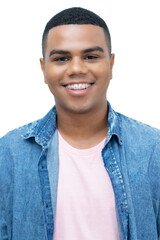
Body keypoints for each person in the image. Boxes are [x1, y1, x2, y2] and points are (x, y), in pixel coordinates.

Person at [0, 7, 160, 240]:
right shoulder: (9, 153)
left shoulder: (153, 150)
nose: (76, 69)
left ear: (111, 64)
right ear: (44, 69)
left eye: (90, 57)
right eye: (62, 58)